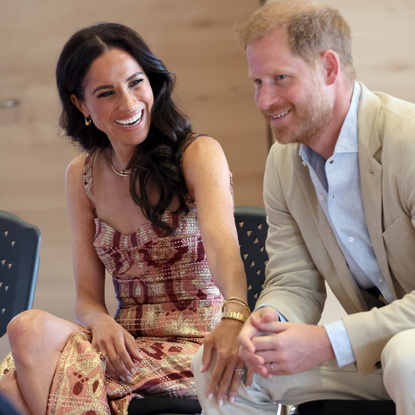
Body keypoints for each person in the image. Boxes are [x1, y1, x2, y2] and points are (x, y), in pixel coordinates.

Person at [0, 22, 252, 415]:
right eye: (106, 93)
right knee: (25, 333)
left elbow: (224, 252)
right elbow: (86, 296)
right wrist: (100, 322)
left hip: (197, 345)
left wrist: (236, 314)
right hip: (123, 345)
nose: (129, 103)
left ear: (152, 83)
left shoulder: (197, 154)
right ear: (81, 105)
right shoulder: (81, 175)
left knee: (19, 382)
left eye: (136, 83)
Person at [192, 1, 415, 414]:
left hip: (405, 352)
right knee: (221, 367)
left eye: (279, 78)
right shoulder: (282, 162)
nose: (264, 100)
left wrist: (329, 340)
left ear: (329, 69)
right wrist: (266, 323)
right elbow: (293, 279)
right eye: (257, 81)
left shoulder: (409, 141)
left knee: (407, 356)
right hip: (376, 350)